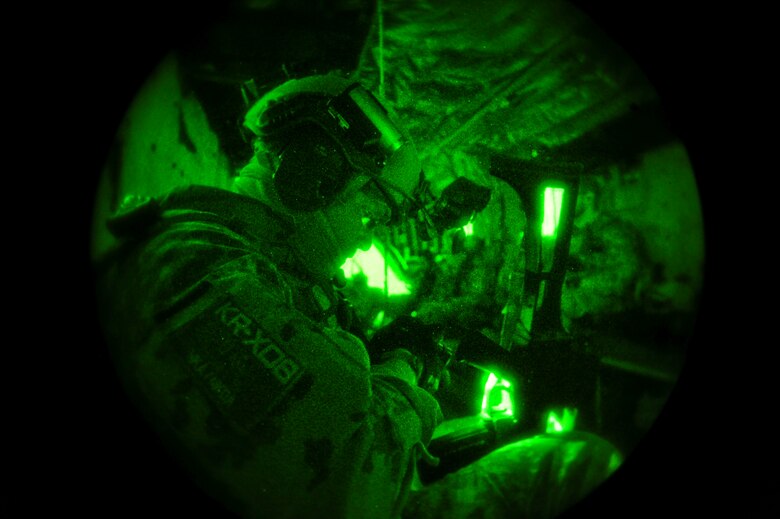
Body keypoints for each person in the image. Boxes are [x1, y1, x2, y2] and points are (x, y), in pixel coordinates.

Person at [94, 73, 621, 519]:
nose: (370, 238)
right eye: (371, 209)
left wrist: (375, 352)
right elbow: (353, 477)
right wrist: (405, 367)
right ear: (312, 171)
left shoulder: (249, 262)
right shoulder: (201, 265)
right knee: (576, 465)